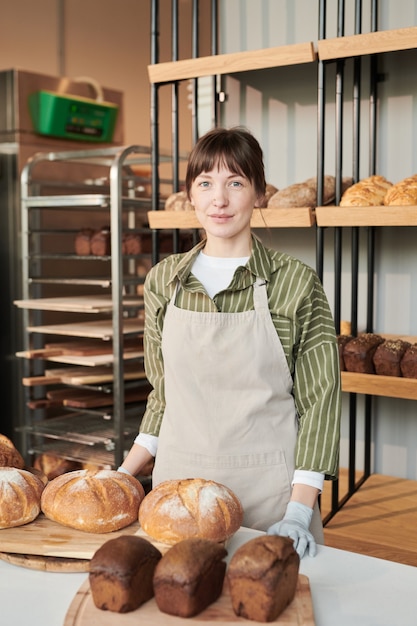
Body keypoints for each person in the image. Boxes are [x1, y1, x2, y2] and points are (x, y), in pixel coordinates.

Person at [120, 126, 341, 558]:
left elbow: (321, 403)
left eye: (235, 182)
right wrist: (125, 476)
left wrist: (299, 510)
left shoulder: (295, 282)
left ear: (259, 193)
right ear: (191, 194)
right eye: (206, 183)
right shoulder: (164, 281)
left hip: (269, 498)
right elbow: (164, 396)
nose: (219, 199)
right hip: (176, 495)